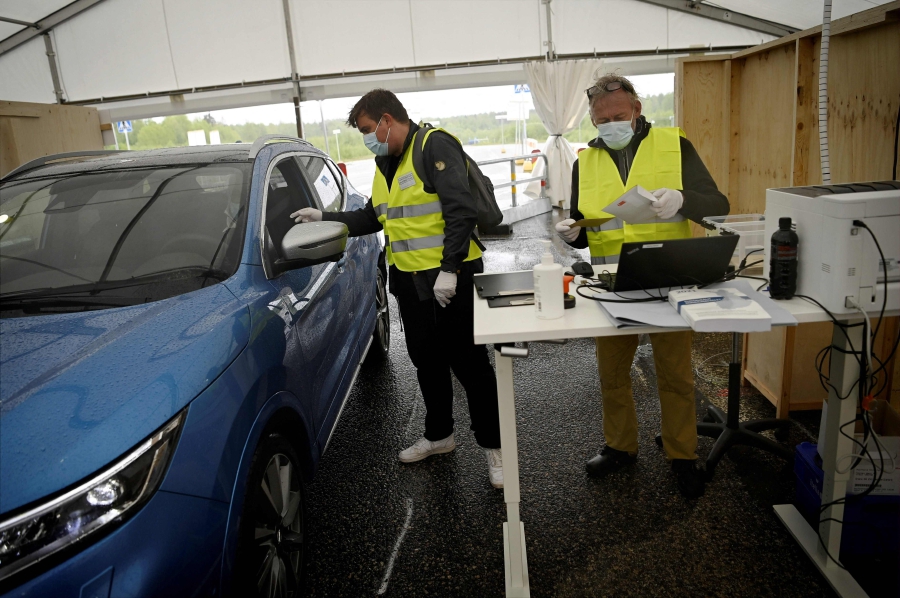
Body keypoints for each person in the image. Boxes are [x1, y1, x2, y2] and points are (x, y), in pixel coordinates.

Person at [290, 89, 503, 489]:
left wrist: (451, 268)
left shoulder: (433, 145)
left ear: (387, 119)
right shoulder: (385, 161)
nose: (367, 138)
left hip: (450, 277)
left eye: (369, 129)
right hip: (410, 280)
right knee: (427, 360)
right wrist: (325, 217)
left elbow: (461, 210)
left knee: (470, 365)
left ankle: (496, 450)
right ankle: (440, 436)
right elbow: (374, 215)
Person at [556, 73, 729, 498]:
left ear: (636, 109)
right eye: (601, 119)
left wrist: (683, 200)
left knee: (675, 375)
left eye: (618, 115)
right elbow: (587, 227)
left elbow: (718, 206)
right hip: (614, 283)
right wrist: (571, 234)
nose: (610, 124)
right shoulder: (585, 162)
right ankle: (620, 447)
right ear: (592, 121)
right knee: (612, 374)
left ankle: (682, 454)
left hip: (671, 280)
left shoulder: (674, 145)